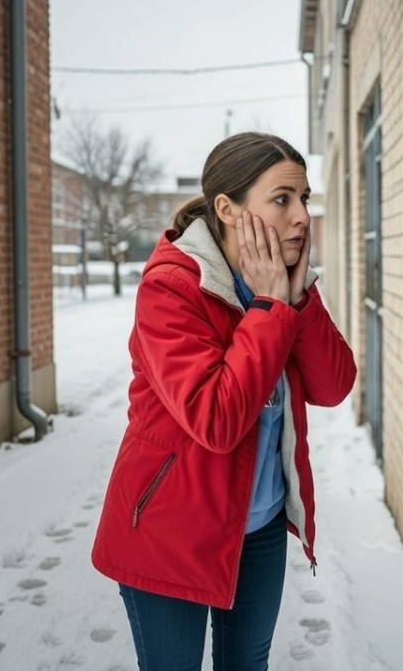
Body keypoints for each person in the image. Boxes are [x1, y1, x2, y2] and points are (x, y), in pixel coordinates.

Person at [91, 132, 357, 670]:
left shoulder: (282, 290)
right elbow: (215, 420)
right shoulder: (171, 289)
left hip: (257, 528)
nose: (302, 216)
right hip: (171, 531)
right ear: (227, 209)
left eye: (304, 198)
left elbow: (333, 387)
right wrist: (268, 308)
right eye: (281, 199)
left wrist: (299, 301)